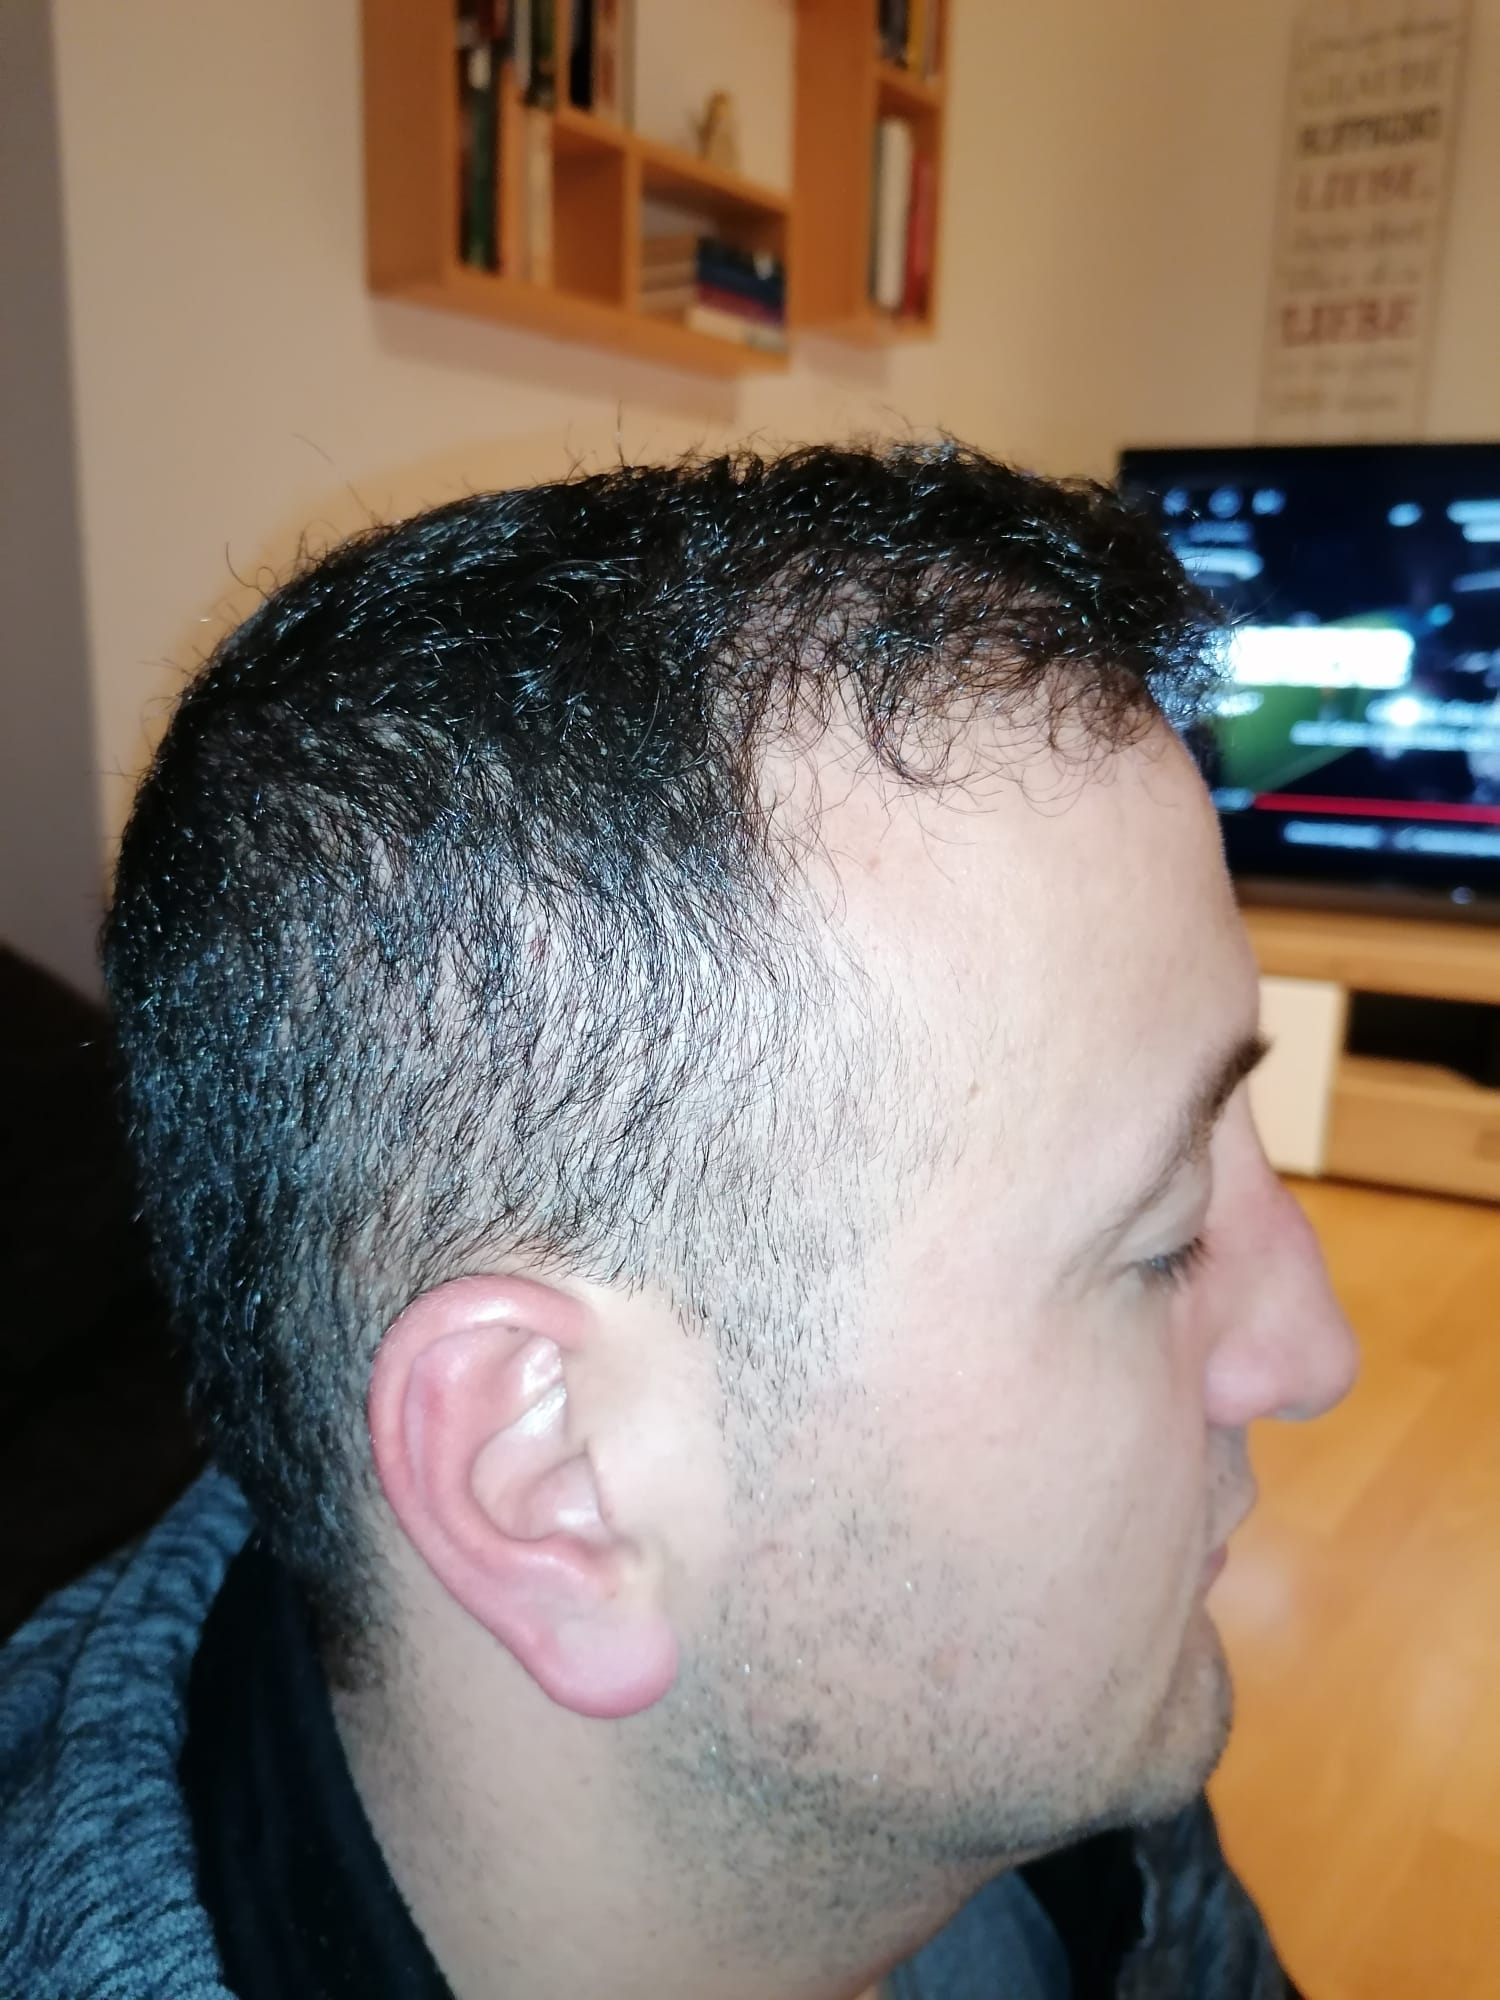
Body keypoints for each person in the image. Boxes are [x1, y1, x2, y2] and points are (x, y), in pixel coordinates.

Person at [0, 442, 1357, 2000]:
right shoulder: (986, 1688)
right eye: (1163, 1240)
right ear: (561, 1479)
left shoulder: (1023, 1757)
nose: (1313, 1352)